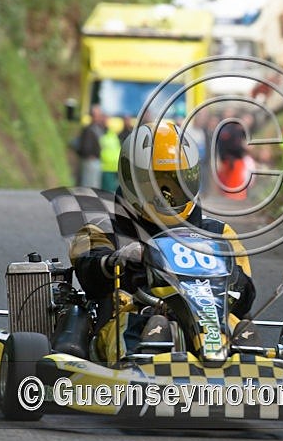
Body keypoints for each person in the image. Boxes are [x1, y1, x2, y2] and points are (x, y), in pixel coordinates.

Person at [69, 120, 257, 362]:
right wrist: (120, 259)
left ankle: (248, 362)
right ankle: (142, 364)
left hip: (208, 318)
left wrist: (227, 274)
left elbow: (246, 298)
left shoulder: (219, 234)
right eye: (155, 184)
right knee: (139, 326)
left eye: (177, 182)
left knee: (236, 325)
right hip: (134, 314)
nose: (167, 196)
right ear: (131, 180)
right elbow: (89, 276)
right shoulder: (103, 230)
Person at [76, 105, 104, 187]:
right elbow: (85, 146)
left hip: (97, 161)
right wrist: (89, 155)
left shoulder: (98, 128)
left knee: (95, 185)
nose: (99, 117)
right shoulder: (88, 129)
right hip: (90, 161)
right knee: (88, 185)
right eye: (97, 115)